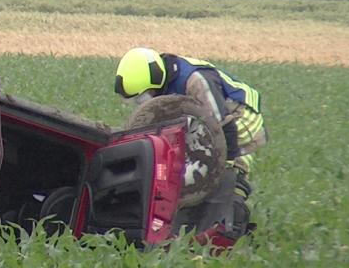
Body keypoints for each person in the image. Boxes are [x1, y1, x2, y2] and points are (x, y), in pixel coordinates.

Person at [114, 48, 267, 202]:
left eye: (144, 95)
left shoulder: (196, 81)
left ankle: (233, 199)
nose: (141, 101)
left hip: (240, 117)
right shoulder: (159, 79)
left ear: (155, 81)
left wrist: (223, 167)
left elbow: (224, 125)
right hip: (211, 118)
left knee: (224, 179)